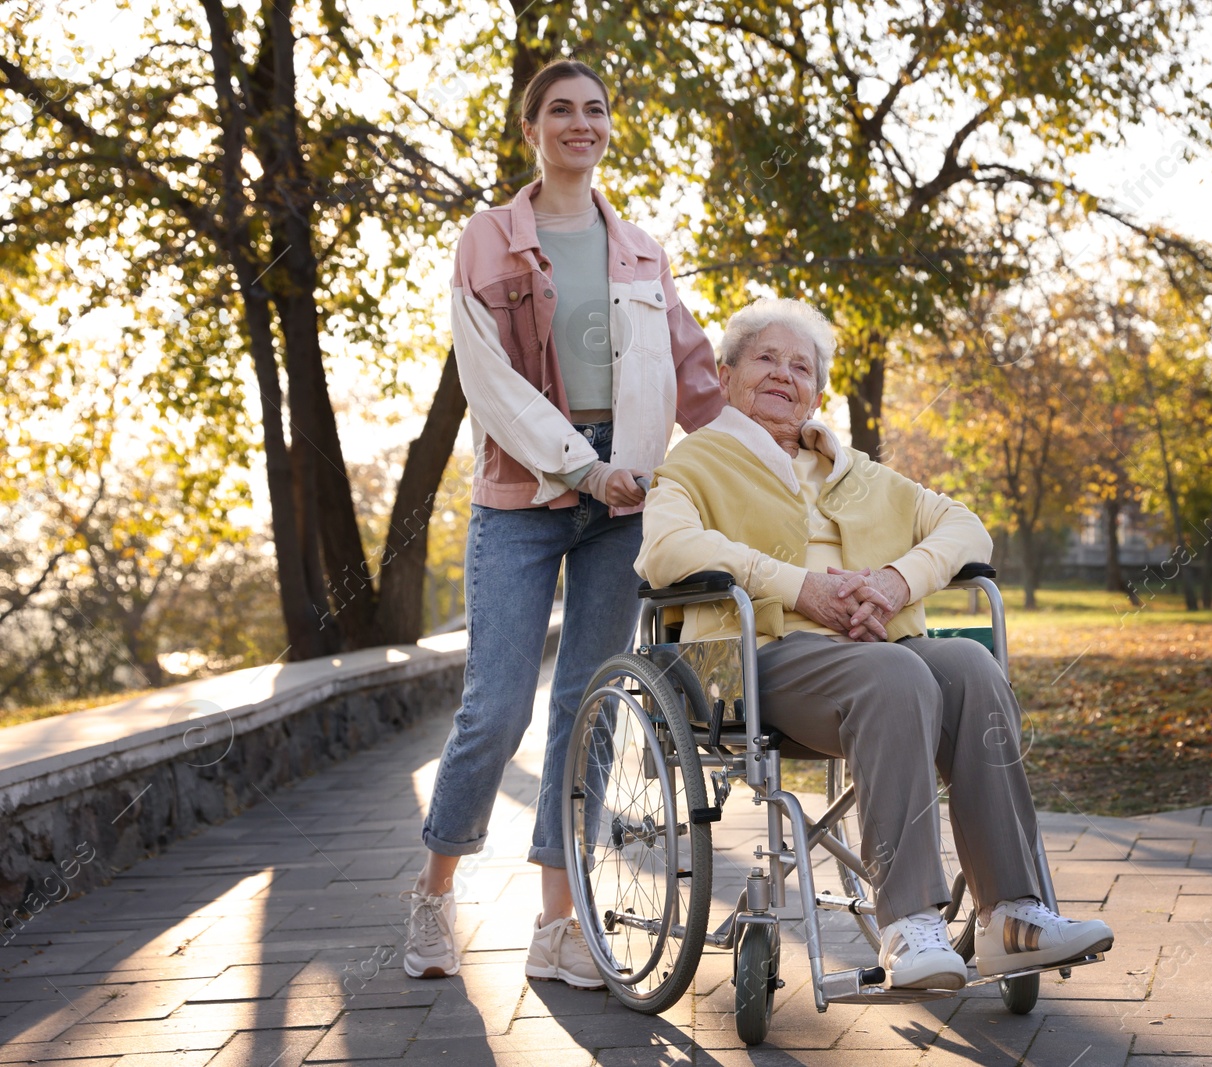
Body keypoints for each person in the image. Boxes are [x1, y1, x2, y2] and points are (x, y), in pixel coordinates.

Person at [636, 298, 1114, 991]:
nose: (783, 375)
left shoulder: (855, 471)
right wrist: (800, 588)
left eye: (801, 366)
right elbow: (666, 548)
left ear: (818, 392)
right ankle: (910, 921)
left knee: (970, 665)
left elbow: (965, 527)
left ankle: (1011, 914)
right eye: (766, 358)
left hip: (874, 649)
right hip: (757, 655)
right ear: (727, 372)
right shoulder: (696, 462)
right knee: (895, 673)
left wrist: (895, 582)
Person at [402, 59, 723, 987]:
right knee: (495, 707)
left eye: (596, 109)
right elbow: (491, 385)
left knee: (587, 711)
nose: (581, 123)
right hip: (525, 498)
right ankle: (434, 889)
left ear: (607, 126)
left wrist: (779, 432)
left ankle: (560, 920)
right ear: (531, 128)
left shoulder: (641, 249)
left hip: (625, 504)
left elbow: (692, 367)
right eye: (562, 111)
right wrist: (585, 467)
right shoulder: (487, 240)